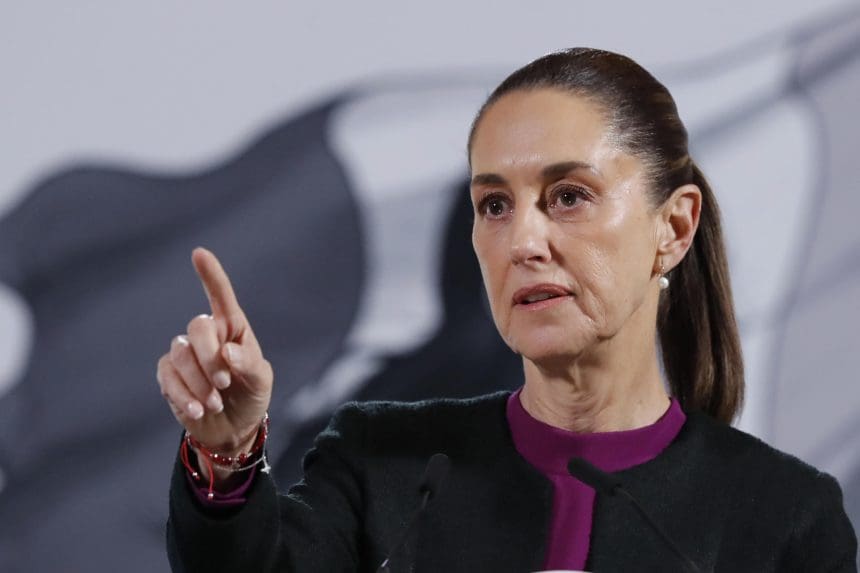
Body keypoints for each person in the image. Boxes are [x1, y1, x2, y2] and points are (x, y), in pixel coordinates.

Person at [158, 48, 858, 572]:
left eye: (569, 195)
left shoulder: (787, 517)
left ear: (672, 229)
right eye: (495, 204)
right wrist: (226, 452)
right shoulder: (385, 464)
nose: (522, 240)